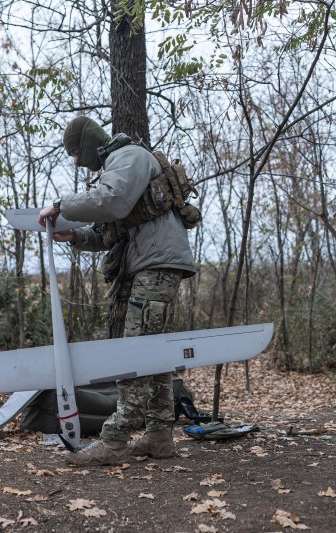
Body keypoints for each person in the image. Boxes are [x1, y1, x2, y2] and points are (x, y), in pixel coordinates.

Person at [38, 116, 196, 466]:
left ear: (91, 141)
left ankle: (116, 439)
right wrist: (76, 236)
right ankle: (158, 435)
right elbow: (112, 230)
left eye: (78, 152)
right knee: (152, 354)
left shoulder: (129, 158)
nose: (78, 161)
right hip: (145, 263)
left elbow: (113, 201)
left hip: (155, 264)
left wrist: (61, 206)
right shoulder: (119, 165)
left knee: (135, 351)